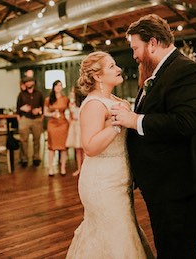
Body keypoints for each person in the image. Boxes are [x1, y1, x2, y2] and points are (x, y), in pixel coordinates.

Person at [110, 14, 196, 258]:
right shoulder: (159, 72)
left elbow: (186, 122)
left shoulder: (187, 70)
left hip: (183, 178)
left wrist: (135, 120)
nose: (134, 55)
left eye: (135, 48)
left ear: (152, 43)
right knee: (167, 244)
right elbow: (161, 111)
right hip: (166, 178)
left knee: (177, 248)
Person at [66, 51, 153, 258]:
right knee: (115, 234)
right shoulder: (94, 104)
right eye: (112, 66)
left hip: (120, 178)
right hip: (101, 182)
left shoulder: (115, 99)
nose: (118, 69)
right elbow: (89, 146)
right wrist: (115, 126)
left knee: (122, 229)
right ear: (97, 76)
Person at [16, 77, 45, 167]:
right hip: (25, 118)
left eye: (30, 81)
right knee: (23, 140)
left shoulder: (39, 94)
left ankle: (36, 158)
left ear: (33, 82)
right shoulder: (21, 94)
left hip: (37, 119)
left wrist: (40, 113)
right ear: (25, 84)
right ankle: (24, 159)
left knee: (37, 140)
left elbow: (43, 106)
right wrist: (20, 113)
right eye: (26, 82)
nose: (28, 83)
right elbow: (18, 108)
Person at [44, 80, 69, 176]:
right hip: (52, 123)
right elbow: (45, 112)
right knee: (52, 147)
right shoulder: (48, 99)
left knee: (63, 147)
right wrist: (52, 114)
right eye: (56, 85)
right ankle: (50, 168)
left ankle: (63, 168)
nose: (58, 87)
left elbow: (70, 110)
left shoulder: (65, 99)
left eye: (60, 85)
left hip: (63, 123)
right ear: (53, 87)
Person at [65, 87, 85, 176]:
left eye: (72, 91)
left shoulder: (83, 103)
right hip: (75, 126)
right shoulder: (71, 103)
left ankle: (85, 169)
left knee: (84, 149)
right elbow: (70, 115)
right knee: (77, 149)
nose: (71, 93)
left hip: (82, 125)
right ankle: (79, 168)